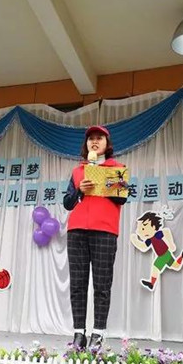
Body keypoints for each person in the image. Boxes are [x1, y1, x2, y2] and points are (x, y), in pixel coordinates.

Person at [63, 125, 127, 350]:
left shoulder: (117, 168)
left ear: (107, 144)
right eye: (91, 138)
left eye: (99, 138)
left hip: (105, 230)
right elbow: (67, 203)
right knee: (77, 284)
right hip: (77, 230)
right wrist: (79, 190)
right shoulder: (77, 171)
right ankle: (79, 333)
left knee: (102, 284)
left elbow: (121, 199)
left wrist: (103, 181)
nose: (94, 141)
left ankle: (98, 334)